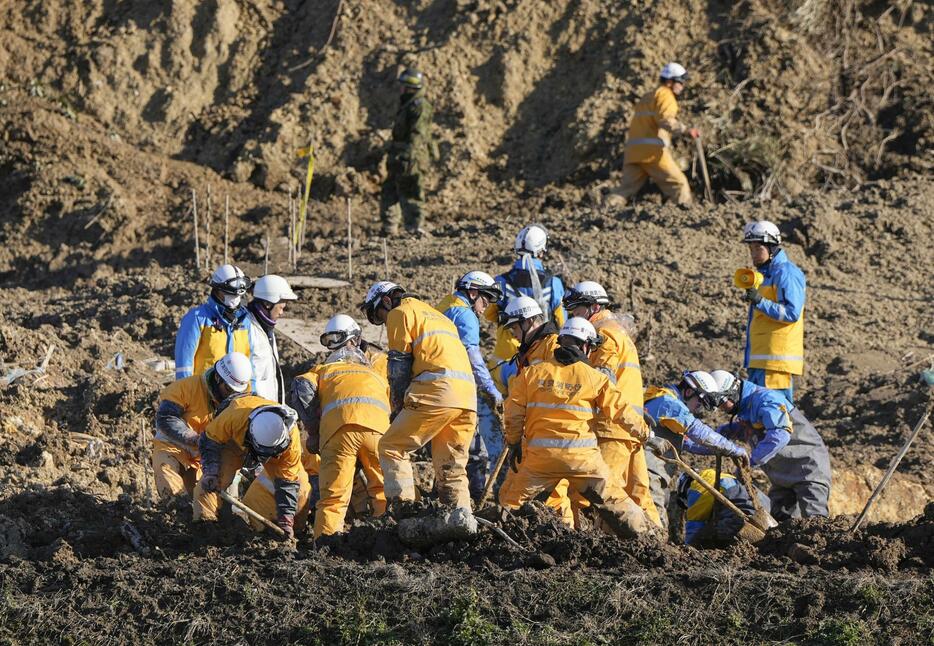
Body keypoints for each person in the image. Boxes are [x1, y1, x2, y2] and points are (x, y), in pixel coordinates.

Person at [499, 317, 652, 538]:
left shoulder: (532, 374)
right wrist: (646, 434)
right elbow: (621, 412)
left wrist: (514, 443)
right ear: (586, 346)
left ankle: (499, 541)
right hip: (584, 461)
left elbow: (512, 414)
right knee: (615, 500)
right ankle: (647, 540)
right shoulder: (595, 378)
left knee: (512, 505)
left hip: (541, 461)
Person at [361, 281, 477, 526]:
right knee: (451, 466)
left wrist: (398, 407)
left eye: (380, 316)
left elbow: (399, 366)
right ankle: (462, 521)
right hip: (467, 398)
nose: (384, 321)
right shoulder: (440, 318)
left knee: (392, 447)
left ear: (385, 300)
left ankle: (404, 514)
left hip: (436, 391)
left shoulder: (399, 313)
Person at [563, 281, 660, 526]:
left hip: (611, 427)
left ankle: (590, 544)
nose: (573, 316)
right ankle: (657, 542)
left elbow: (603, 378)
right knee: (638, 494)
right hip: (628, 426)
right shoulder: (618, 330)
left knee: (599, 493)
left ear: (593, 306)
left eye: (576, 310)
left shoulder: (603, 334)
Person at [289, 317, 389, 537]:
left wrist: (314, 432)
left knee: (333, 498)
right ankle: (389, 540)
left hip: (337, 433)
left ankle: (325, 546)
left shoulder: (323, 370)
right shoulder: (375, 372)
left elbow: (302, 387)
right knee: (383, 490)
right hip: (378, 432)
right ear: (356, 340)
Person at [708, 370, 830, 521]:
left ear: (732, 392)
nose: (722, 409)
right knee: (779, 524)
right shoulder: (747, 406)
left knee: (816, 523)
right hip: (782, 476)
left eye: (721, 403)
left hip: (807, 469)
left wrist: (750, 463)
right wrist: (723, 432)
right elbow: (755, 430)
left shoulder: (766, 399)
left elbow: (780, 435)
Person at [642, 371, 750, 524]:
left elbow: (687, 442)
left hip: (651, 472)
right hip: (647, 472)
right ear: (689, 391)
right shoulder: (669, 402)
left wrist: (718, 450)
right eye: (699, 403)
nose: (697, 410)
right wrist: (732, 449)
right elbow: (697, 431)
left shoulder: (666, 404)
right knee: (654, 523)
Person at [195, 396, 307, 539]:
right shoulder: (233, 417)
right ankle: (204, 527)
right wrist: (211, 471)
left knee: (301, 490)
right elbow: (210, 439)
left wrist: (286, 520)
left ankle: (288, 533)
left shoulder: (291, 443)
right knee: (210, 484)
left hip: (274, 453)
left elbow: (288, 481)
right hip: (234, 442)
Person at [436, 271, 505, 499]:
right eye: (485, 300)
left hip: (435, 384)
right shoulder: (464, 315)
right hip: (454, 388)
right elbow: (472, 357)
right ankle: (475, 495)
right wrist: (490, 389)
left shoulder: (445, 305)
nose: (485, 307)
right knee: (472, 447)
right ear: (473, 292)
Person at [152, 352, 252, 499]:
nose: (230, 396)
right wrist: (193, 438)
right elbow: (166, 417)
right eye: (229, 390)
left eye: (235, 392)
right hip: (174, 447)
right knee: (172, 490)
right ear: (218, 378)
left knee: (206, 503)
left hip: (206, 459)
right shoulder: (187, 387)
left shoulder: (241, 402)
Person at [484, 225, 566, 391]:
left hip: (505, 356)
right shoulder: (553, 283)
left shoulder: (501, 281)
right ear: (541, 251)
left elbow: (489, 315)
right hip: (540, 357)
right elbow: (562, 321)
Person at [609, 62, 699, 206]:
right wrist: (686, 130)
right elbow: (665, 120)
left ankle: (601, 214)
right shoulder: (666, 95)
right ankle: (688, 220)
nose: (682, 86)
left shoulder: (648, 96)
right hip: (652, 153)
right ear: (670, 81)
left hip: (634, 153)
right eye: (680, 82)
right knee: (679, 185)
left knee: (623, 191)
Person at [740, 221, 806, 403]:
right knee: (758, 418)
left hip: (776, 363)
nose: (753, 253)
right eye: (750, 248)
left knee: (775, 416)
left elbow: (792, 313)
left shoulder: (787, 273)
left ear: (772, 246)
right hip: (760, 361)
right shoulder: (764, 276)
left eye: (757, 248)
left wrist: (760, 302)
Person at [379, 68, 439, 237]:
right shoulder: (407, 104)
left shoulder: (419, 106)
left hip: (411, 157)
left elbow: (418, 135)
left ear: (412, 88)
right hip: (399, 155)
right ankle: (389, 228)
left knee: (411, 191)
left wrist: (409, 157)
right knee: (389, 191)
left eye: (404, 87)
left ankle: (415, 228)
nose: (401, 90)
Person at [175, 264, 253, 381]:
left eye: (238, 295)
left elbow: (249, 364)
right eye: (230, 294)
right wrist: (188, 394)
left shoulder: (244, 322)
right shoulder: (197, 318)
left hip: (235, 394)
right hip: (202, 393)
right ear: (217, 290)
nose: (235, 298)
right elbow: (184, 365)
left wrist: (251, 394)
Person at [677, 469, 770, 545]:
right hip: (765, 509)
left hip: (741, 518)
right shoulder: (718, 475)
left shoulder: (695, 490)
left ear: (684, 488)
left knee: (705, 535)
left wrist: (687, 549)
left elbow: (694, 529)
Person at [247, 275, 298, 403]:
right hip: (252, 408)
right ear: (267, 304)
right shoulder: (247, 329)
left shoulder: (266, 329)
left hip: (267, 406)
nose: (282, 313)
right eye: (280, 308)